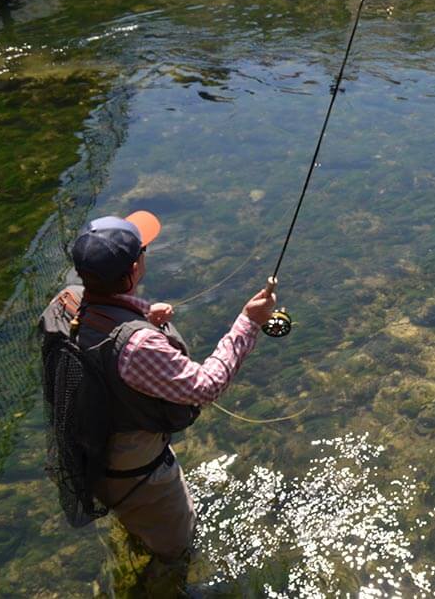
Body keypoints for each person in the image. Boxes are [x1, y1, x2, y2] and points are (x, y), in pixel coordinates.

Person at [41, 210, 276, 594]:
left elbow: (95, 346)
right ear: (134, 270)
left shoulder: (64, 303)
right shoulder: (138, 346)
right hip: (139, 476)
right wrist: (249, 322)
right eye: (143, 251)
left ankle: (136, 536)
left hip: (91, 458)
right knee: (176, 551)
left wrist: (144, 318)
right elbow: (206, 386)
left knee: (137, 522)